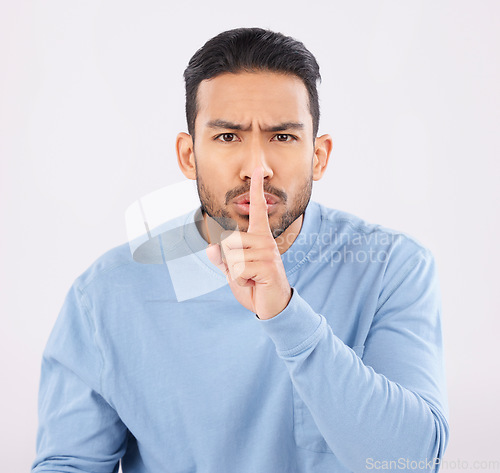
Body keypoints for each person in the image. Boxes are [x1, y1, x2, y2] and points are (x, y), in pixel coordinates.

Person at [32, 27, 449, 473]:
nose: (257, 167)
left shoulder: (392, 269)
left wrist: (286, 316)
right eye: (228, 137)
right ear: (188, 155)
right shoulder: (105, 294)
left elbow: (411, 462)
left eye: (283, 137)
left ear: (319, 156)